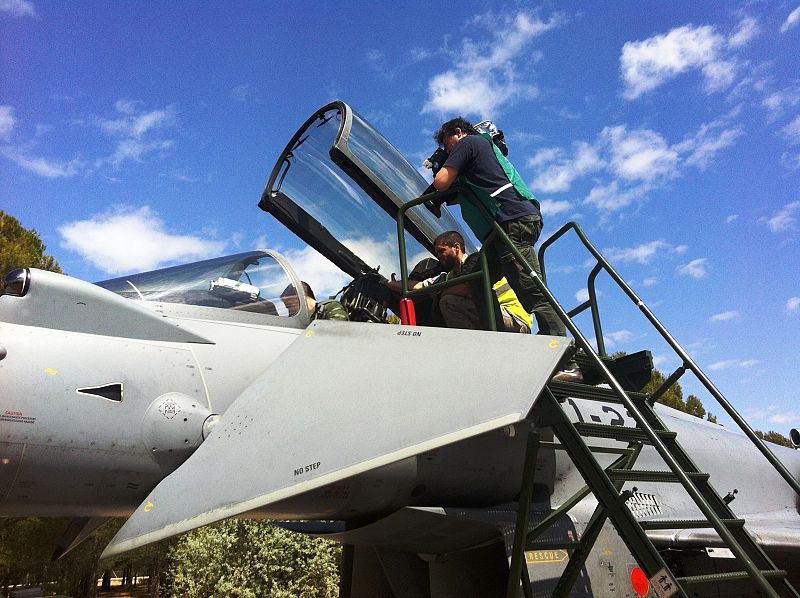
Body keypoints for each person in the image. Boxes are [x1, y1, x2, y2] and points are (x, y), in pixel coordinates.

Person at [432, 118, 580, 382]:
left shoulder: (469, 142)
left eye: (447, 146)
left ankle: (565, 362)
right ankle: (498, 345)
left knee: (532, 289)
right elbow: (453, 195)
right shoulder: (478, 157)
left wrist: (442, 166)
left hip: (512, 224)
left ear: (458, 132)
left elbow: (442, 182)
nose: (449, 152)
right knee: (477, 279)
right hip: (500, 234)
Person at [388, 230, 532, 333]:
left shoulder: (476, 263)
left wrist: (439, 292)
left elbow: (467, 289)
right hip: (491, 317)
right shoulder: (450, 276)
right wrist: (386, 283)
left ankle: (469, 347)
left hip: (514, 320)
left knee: (448, 301)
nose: (438, 256)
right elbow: (418, 286)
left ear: (456, 247)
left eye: (441, 251)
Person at [280, 281, 349, 321]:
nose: (289, 311)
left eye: (289, 306)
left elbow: (338, 333)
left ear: (301, 299)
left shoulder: (330, 306)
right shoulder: (305, 320)